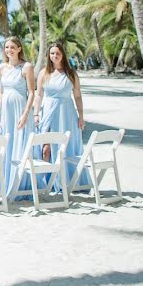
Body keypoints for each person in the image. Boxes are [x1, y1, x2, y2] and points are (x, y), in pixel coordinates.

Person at [37, 41, 91, 192]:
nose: (55, 56)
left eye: (58, 53)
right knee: (46, 148)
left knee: (68, 147)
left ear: (63, 55)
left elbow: (78, 96)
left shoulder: (71, 74)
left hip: (67, 113)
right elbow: (39, 95)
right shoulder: (44, 73)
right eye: (52, 53)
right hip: (48, 113)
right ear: (49, 55)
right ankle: (46, 183)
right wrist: (36, 113)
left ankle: (69, 182)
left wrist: (81, 116)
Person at [0, 36, 41, 200]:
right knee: (7, 144)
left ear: (19, 48)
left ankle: (21, 184)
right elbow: (1, 92)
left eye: (12, 47)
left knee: (20, 144)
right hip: (6, 113)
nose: (9, 50)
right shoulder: (1, 68)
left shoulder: (27, 67)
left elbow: (31, 93)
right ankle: (6, 183)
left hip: (20, 111)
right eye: (7, 47)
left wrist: (25, 114)